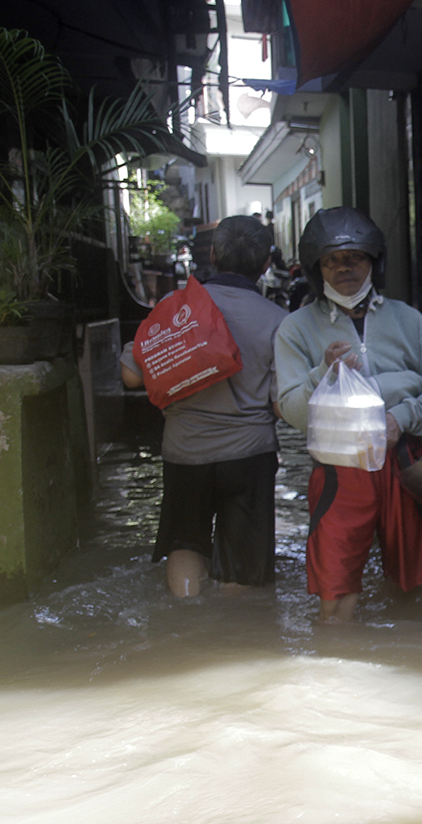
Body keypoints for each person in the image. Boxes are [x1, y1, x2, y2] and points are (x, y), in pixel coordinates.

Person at [275, 207, 422, 621]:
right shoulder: (296, 329)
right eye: (331, 260)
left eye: (355, 257)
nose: (344, 268)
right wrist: (323, 373)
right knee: (335, 598)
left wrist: (403, 418)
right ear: (315, 269)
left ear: (374, 261)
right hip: (340, 472)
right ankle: (338, 676)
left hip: (403, 464)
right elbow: (291, 412)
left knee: (414, 590)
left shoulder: (409, 321)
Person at [120, 215, 289, 597]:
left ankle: (187, 624)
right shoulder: (280, 321)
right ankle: (225, 641)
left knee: (186, 544)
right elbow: (281, 408)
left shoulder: (175, 307)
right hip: (248, 456)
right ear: (265, 265)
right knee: (240, 565)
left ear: (212, 255)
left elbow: (131, 376)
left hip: (184, 452)